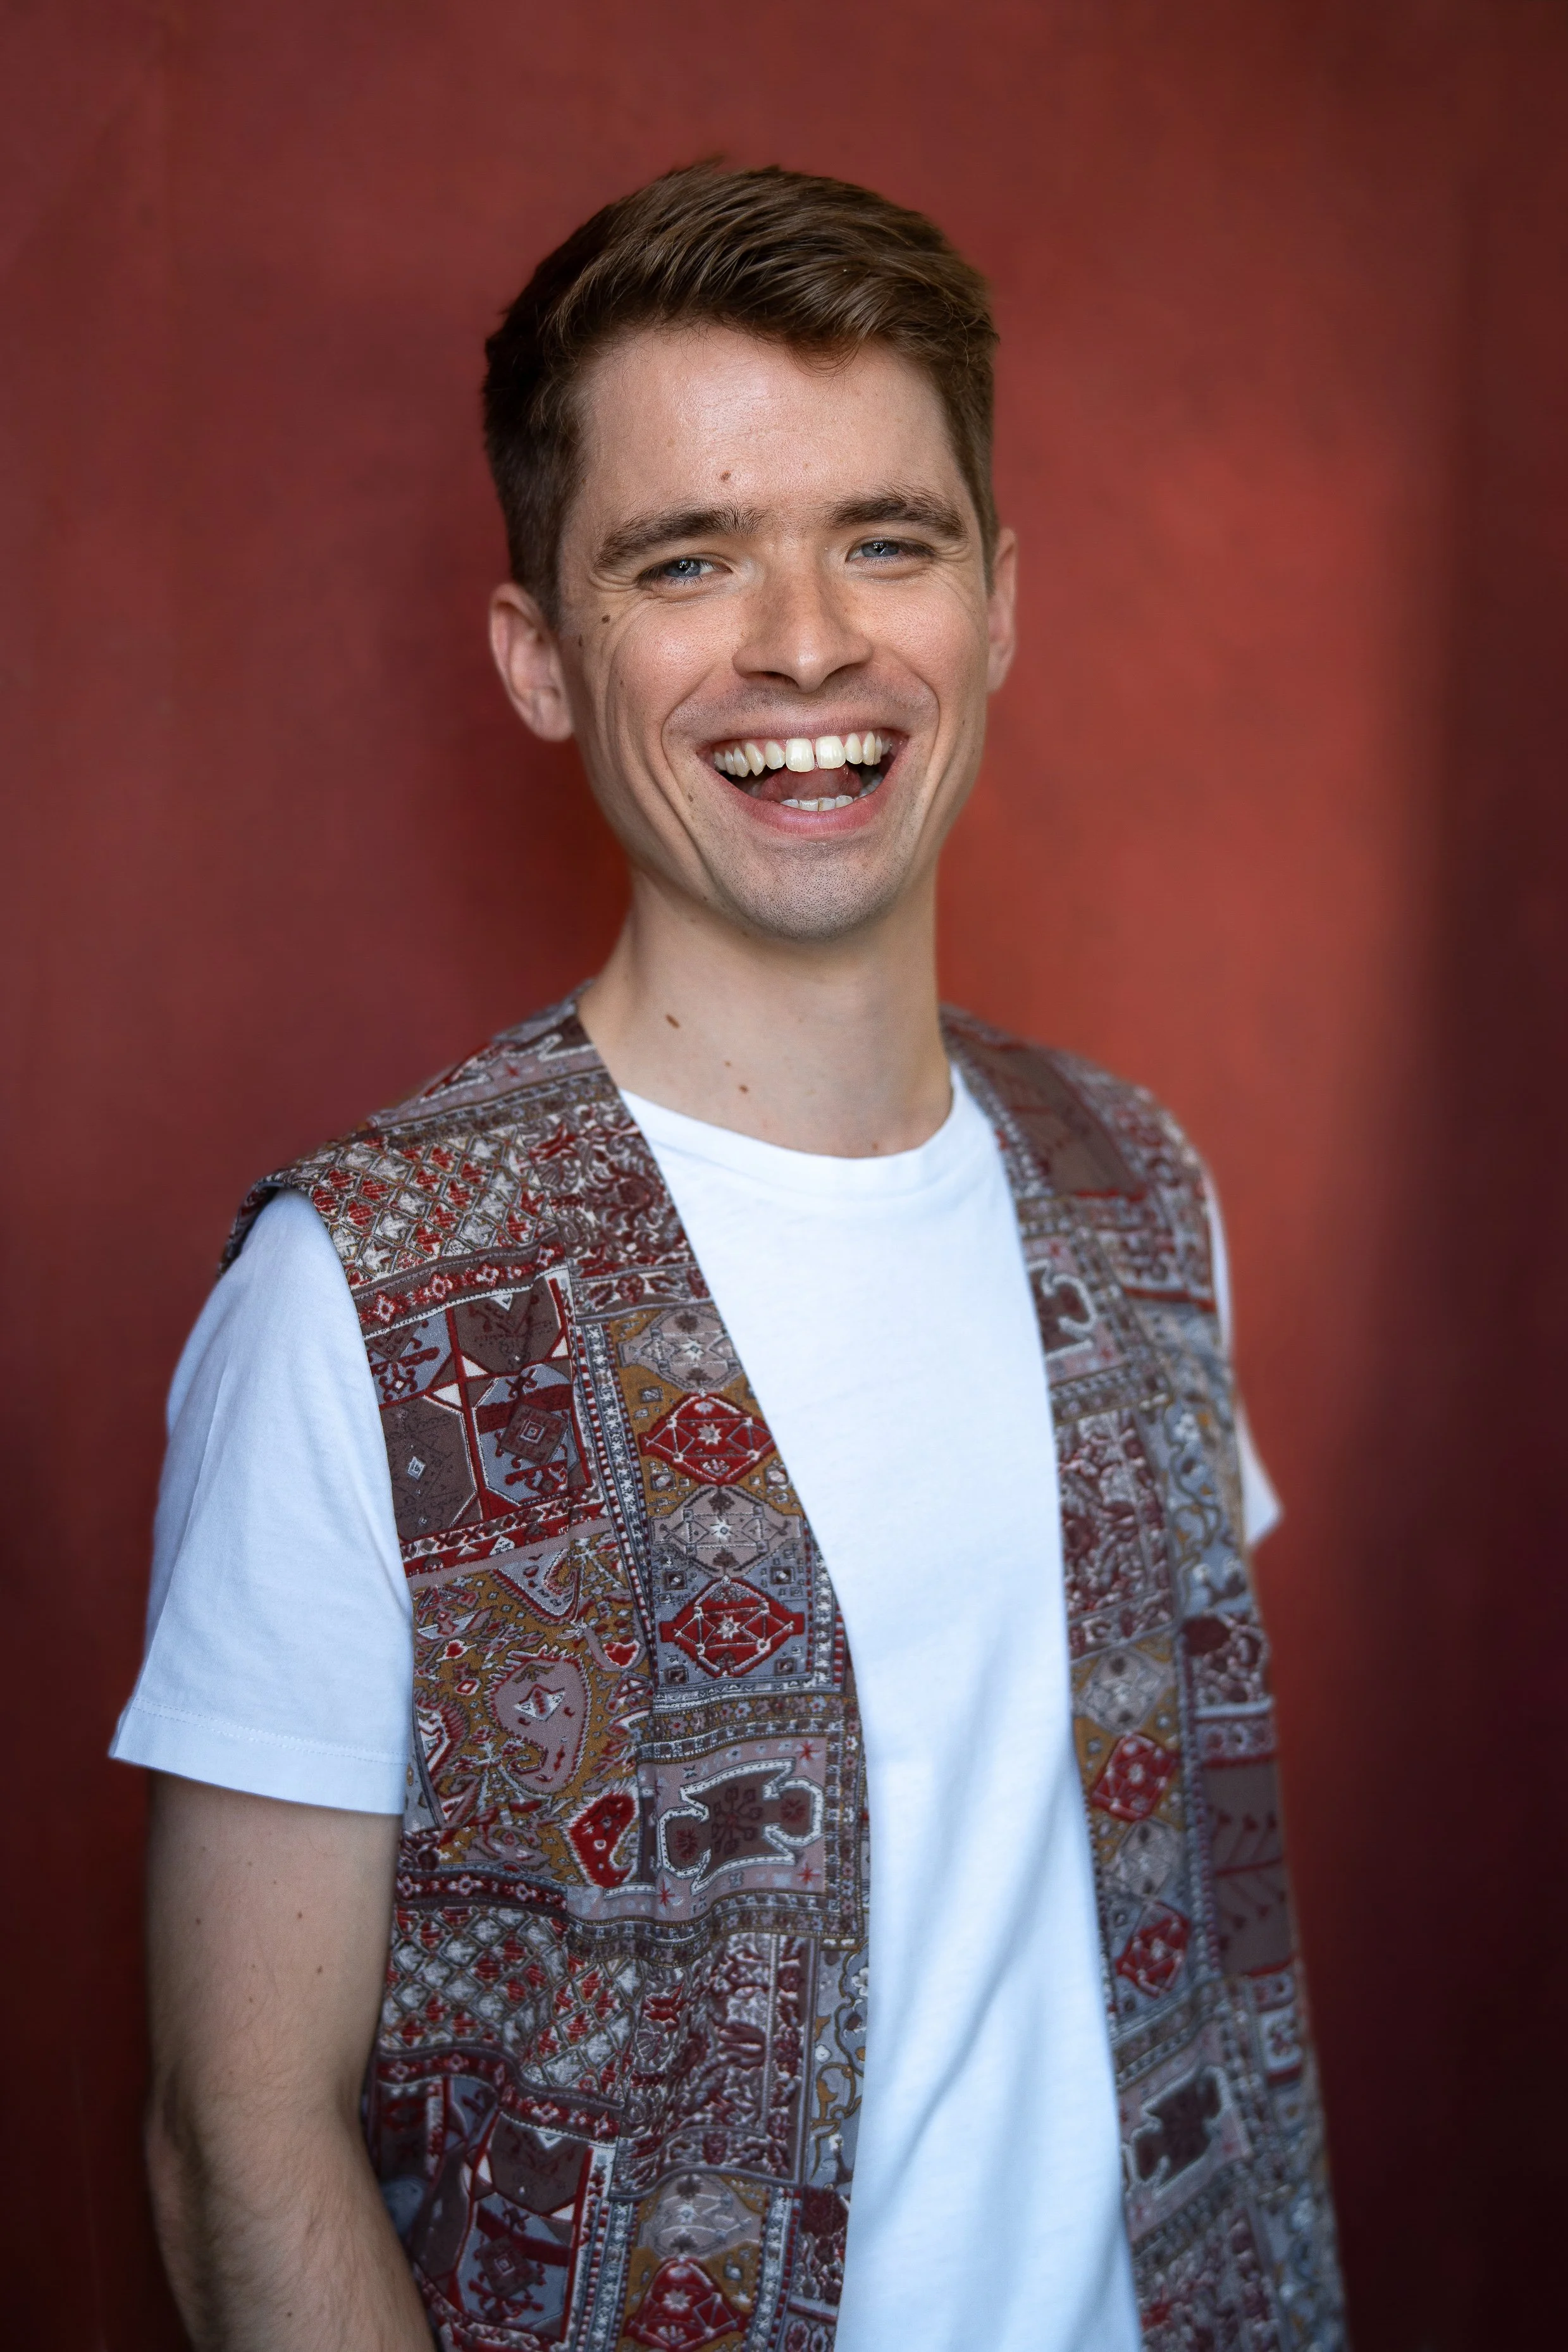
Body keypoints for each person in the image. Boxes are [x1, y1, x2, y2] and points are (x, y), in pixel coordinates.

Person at [113, 163, 1344, 2352]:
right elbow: (242, 2141)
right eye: (687, 558)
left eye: (888, 538)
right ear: (537, 659)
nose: (804, 641)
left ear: (998, 603)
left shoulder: (1136, 1189)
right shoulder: (358, 1301)